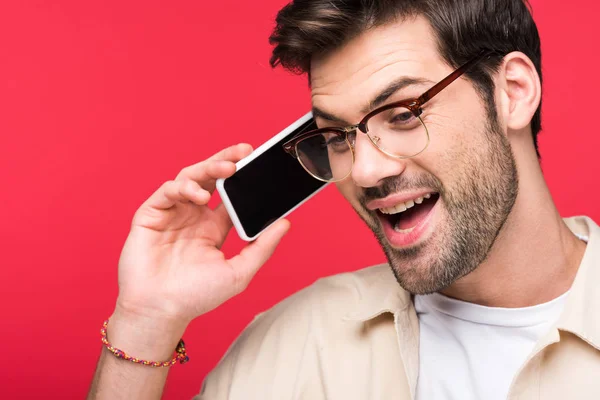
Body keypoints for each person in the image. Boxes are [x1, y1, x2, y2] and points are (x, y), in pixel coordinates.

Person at [87, 0, 600, 399]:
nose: (365, 170)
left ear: (512, 91)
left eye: (402, 114)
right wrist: (146, 321)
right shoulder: (299, 341)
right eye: (337, 136)